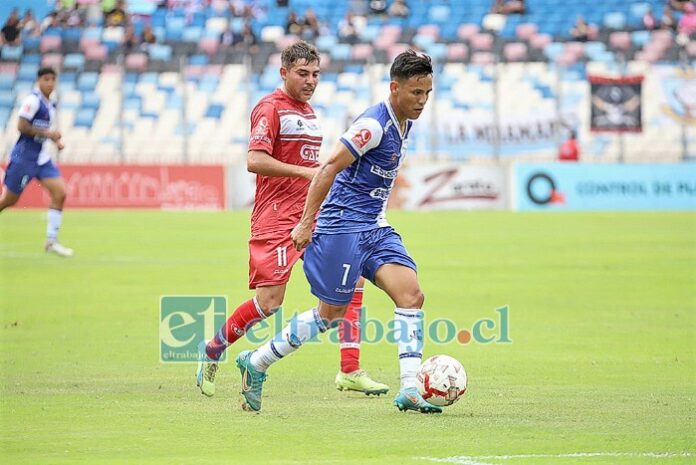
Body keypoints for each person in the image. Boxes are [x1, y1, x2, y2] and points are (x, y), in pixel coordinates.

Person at [234, 50, 441, 414]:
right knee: (329, 315)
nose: (422, 101)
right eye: (415, 93)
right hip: (340, 228)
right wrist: (306, 222)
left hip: (374, 227)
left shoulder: (405, 120)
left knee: (411, 295)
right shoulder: (373, 126)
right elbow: (329, 167)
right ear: (395, 88)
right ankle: (257, 362)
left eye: (426, 93)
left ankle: (410, 387)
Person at [196, 41, 388, 398]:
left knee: (354, 278)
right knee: (270, 304)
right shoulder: (269, 108)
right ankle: (214, 347)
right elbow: (254, 160)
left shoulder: (311, 113)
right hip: (275, 218)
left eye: (315, 74)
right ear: (283, 72)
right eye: (303, 73)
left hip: (314, 216)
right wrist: (305, 174)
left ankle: (350, 369)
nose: (310, 80)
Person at [0, 67, 73, 257]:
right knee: (9, 200)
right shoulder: (32, 101)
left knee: (60, 192)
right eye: (45, 79)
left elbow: (44, 130)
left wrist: (56, 140)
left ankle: (51, 240)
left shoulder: (51, 104)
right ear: (39, 81)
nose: (49, 83)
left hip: (41, 158)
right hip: (24, 157)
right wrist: (49, 134)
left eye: (52, 80)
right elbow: (21, 126)